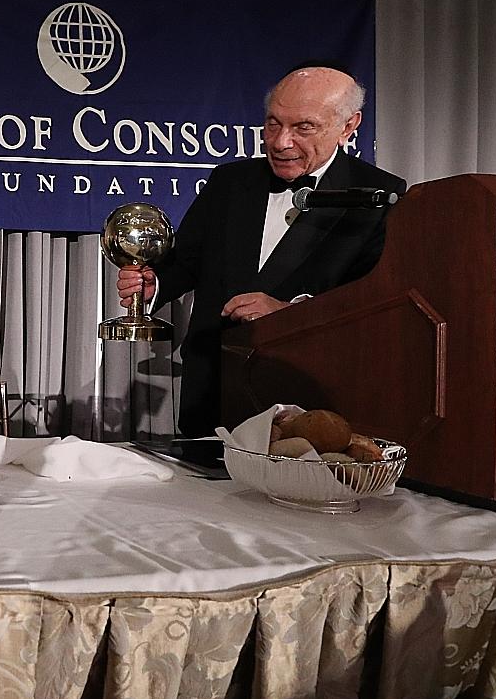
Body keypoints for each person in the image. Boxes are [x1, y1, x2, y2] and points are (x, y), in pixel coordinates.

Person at [118, 66, 407, 437]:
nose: (280, 142)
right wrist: (153, 285)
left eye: (303, 127)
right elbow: (186, 260)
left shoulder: (378, 194)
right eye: (273, 124)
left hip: (307, 393)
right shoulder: (230, 182)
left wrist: (289, 313)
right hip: (212, 383)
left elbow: (370, 304)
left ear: (349, 126)